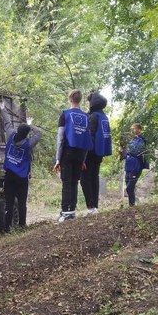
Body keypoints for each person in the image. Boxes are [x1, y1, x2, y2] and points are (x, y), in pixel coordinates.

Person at [0, 102, 42, 232]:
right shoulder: (28, 144)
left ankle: (7, 227)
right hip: (22, 178)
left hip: (9, 176)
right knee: (22, 202)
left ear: (18, 131)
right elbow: (39, 133)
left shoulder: (11, 135)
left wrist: (2, 109)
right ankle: (22, 226)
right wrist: (30, 126)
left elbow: (7, 123)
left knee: (9, 202)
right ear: (27, 134)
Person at [53, 89, 92, 222]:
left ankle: (65, 212)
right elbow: (87, 138)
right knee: (74, 182)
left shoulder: (65, 114)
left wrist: (58, 158)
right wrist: (84, 159)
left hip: (67, 152)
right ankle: (72, 211)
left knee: (66, 182)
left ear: (70, 99)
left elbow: (60, 138)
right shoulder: (86, 117)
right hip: (81, 154)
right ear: (80, 100)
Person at [80, 92, 112, 214]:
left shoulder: (93, 116)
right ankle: (95, 207)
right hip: (99, 152)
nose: (88, 103)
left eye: (89, 101)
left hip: (90, 153)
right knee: (94, 178)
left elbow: (90, 135)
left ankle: (91, 207)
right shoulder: (104, 116)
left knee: (85, 179)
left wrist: (83, 155)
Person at [122, 123, 147, 206]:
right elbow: (126, 153)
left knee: (129, 188)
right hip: (128, 166)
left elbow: (137, 152)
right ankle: (132, 205)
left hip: (136, 167)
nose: (134, 130)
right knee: (130, 189)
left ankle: (133, 203)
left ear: (140, 130)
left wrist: (129, 152)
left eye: (136, 128)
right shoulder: (131, 140)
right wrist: (122, 153)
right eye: (133, 129)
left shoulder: (141, 140)